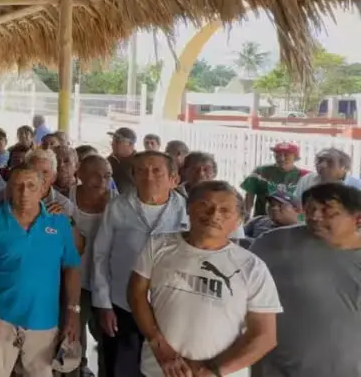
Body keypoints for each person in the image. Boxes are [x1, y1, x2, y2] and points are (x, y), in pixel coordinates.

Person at [129, 181, 281, 377]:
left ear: (238, 221)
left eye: (225, 210)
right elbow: (136, 293)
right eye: (205, 205)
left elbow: (265, 336)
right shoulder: (158, 246)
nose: (214, 214)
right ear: (188, 209)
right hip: (159, 369)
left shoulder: (252, 267)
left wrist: (213, 371)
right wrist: (158, 345)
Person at [0, 164, 82, 377]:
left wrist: (73, 313)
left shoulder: (59, 223)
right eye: (18, 186)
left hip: (44, 319)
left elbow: (71, 267)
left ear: (43, 189)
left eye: (31, 186)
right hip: (1, 317)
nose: (24, 192)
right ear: (8, 189)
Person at [92, 151, 188, 377]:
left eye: (157, 171)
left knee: (163, 369)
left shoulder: (187, 210)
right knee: (120, 368)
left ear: (173, 179)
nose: (149, 176)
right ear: (133, 176)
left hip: (169, 308)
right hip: (121, 305)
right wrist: (103, 304)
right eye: (142, 171)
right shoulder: (118, 207)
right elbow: (100, 255)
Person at [251, 183, 361, 376]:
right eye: (310, 210)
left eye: (328, 212)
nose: (315, 217)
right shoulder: (273, 244)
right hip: (275, 368)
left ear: (357, 218)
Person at [71, 154, 116, 377]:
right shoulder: (65, 200)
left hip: (105, 284)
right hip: (73, 282)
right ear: (79, 174)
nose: (102, 181)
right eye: (95, 175)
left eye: (107, 176)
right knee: (72, 336)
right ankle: (77, 369)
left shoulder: (118, 204)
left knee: (107, 336)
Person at [242, 142, 308, 219]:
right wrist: (246, 217)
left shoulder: (304, 176)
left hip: (292, 222)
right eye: (278, 154)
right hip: (263, 221)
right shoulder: (260, 172)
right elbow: (249, 197)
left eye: (286, 155)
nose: (281, 158)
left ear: (296, 158)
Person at [294, 147, 361, 201]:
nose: (322, 165)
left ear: (343, 167)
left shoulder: (356, 185)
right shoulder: (307, 179)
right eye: (320, 160)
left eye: (330, 161)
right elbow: (296, 203)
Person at [26, 148, 75, 217]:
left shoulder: (64, 205)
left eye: (45, 172)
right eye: (34, 171)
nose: (39, 177)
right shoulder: (13, 195)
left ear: (54, 177)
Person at [106, 127, 137, 194]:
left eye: (117, 141)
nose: (113, 144)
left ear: (131, 144)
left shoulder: (139, 163)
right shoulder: (109, 161)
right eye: (113, 140)